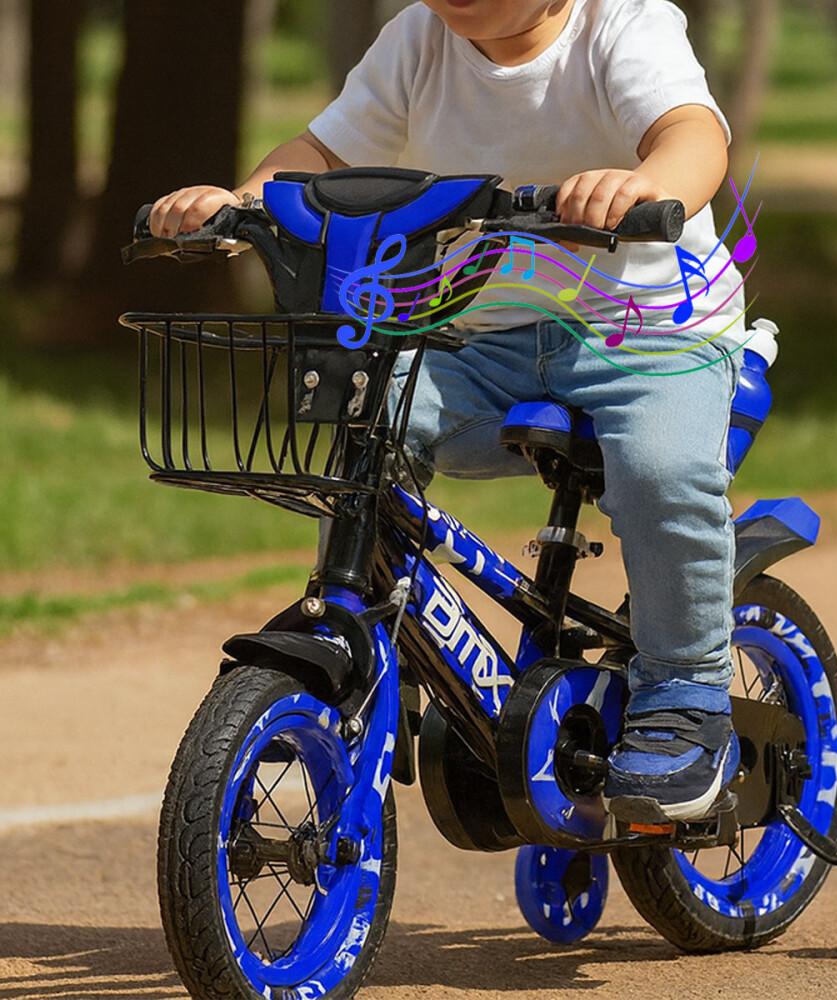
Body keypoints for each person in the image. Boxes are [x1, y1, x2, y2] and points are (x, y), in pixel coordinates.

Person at [151, 0, 747, 825]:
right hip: (489, 339)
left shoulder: (623, 25)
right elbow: (323, 151)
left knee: (660, 470)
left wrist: (645, 184)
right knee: (372, 415)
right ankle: (355, 622)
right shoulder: (417, 42)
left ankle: (685, 691)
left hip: (649, 332)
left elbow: (692, 134)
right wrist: (247, 199)